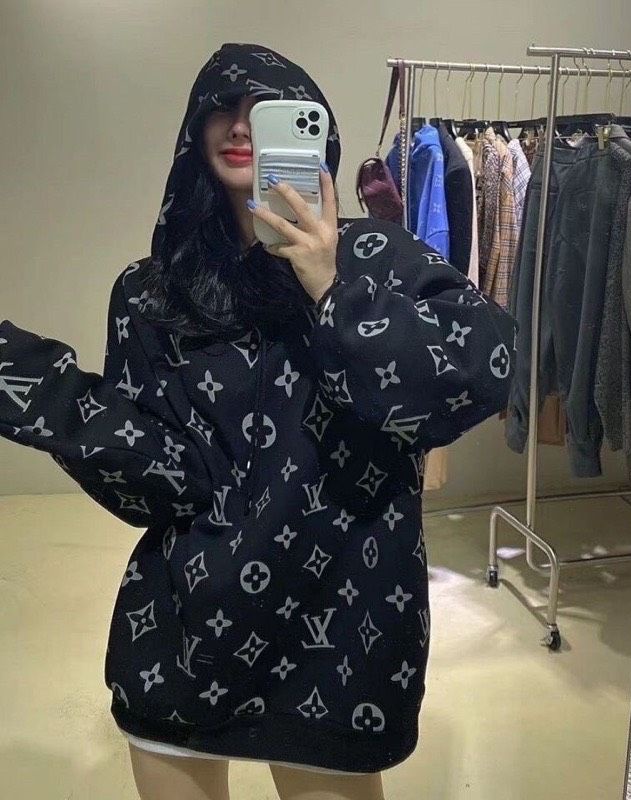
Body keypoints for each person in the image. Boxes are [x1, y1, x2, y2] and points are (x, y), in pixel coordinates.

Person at [0, 43, 519, 800]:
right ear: (195, 129)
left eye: (266, 108)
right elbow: (163, 481)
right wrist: (34, 387)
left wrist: (333, 287)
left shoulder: (379, 257)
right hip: (187, 630)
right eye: (223, 106)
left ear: (313, 129)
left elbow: (482, 373)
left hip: (343, 630)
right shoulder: (151, 292)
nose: (241, 124)